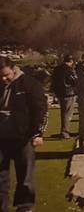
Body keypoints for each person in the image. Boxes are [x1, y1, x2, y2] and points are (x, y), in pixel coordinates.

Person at [0, 57, 48, 212]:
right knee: (1, 177)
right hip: (2, 137)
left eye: (6, 75)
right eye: (0, 76)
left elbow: (40, 109)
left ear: (14, 69)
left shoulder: (29, 84)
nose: (3, 79)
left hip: (23, 138)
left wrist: (38, 133)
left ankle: (24, 206)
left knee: (25, 176)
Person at [51, 55, 77, 139]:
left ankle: (64, 130)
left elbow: (53, 81)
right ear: (71, 61)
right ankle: (65, 132)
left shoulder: (57, 69)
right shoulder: (70, 70)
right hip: (69, 93)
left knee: (63, 113)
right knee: (67, 114)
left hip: (60, 93)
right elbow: (74, 81)